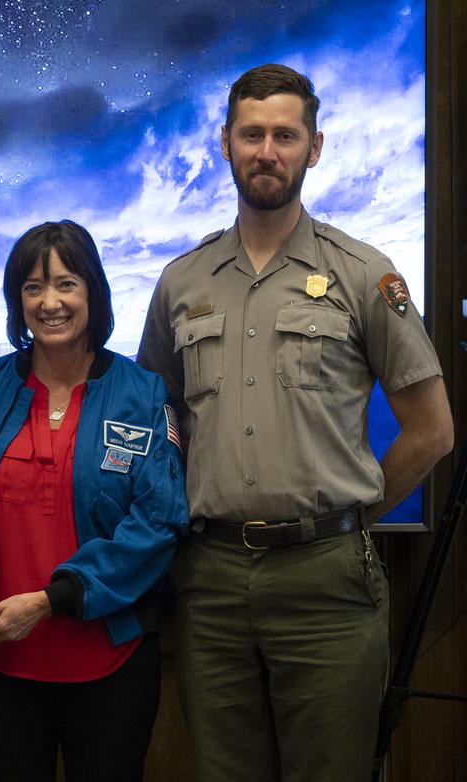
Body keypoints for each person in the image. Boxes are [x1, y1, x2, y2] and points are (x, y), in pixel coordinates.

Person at [136, 63, 453, 781]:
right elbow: (152, 422)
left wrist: (352, 518)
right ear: (225, 143)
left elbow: (433, 430)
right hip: (210, 582)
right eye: (252, 134)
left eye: (285, 135)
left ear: (314, 148)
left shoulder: (364, 274)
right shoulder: (182, 283)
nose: (267, 151)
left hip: (326, 584)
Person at [0, 221, 189, 782]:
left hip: (110, 660)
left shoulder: (143, 394)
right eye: (32, 288)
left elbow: (159, 522)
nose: (50, 303)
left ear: (93, 291)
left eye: (66, 284)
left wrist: (54, 598)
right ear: (16, 301)